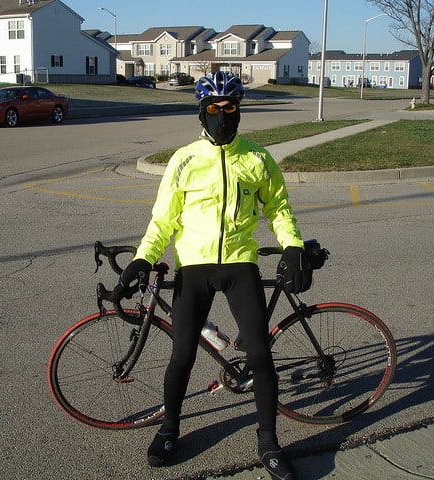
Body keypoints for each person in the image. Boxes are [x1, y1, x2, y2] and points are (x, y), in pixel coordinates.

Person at [117, 71, 312, 480]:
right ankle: (170, 430)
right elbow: (162, 220)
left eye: (230, 109)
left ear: (239, 112)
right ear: (200, 114)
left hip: (241, 265)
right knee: (181, 356)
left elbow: (279, 210)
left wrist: (293, 245)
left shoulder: (257, 158)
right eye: (213, 110)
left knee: (260, 354)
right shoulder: (184, 160)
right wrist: (142, 258)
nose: (221, 117)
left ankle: (269, 442)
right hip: (195, 267)